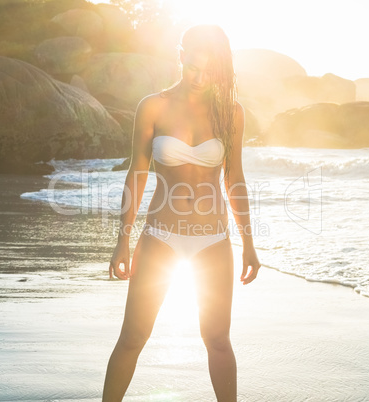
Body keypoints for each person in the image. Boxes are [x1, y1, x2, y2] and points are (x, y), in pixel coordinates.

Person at [102, 24, 261, 402]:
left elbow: (234, 177)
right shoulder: (153, 105)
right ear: (180, 56)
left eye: (209, 71)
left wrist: (249, 243)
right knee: (132, 338)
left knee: (219, 341)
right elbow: (137, 174)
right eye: (193, 67)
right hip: (160, 237)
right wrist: (122, 240)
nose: (199, 78)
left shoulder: (230, 112)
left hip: (214, 240)